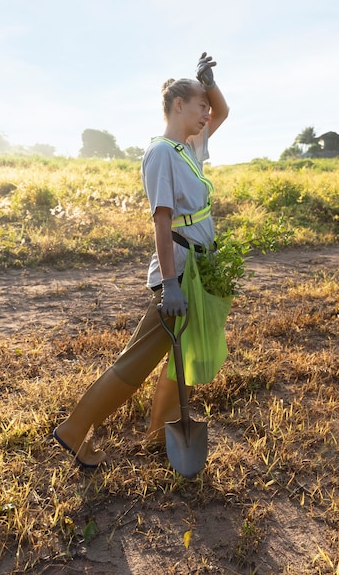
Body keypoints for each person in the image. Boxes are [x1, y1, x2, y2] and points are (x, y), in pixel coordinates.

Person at [53, 52, 229, 467]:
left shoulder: (190, 149)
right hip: (179, 274)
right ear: (177, 105)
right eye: (199, 104)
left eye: (207, 106)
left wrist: (209, 81)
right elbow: (162, 222)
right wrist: (169, 285)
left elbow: (224, 110)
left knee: (183, 355)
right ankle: (74, 429)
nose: (207, 112)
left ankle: (160, 427)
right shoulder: (161, 153)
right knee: (137, 361)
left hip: (198, 271)